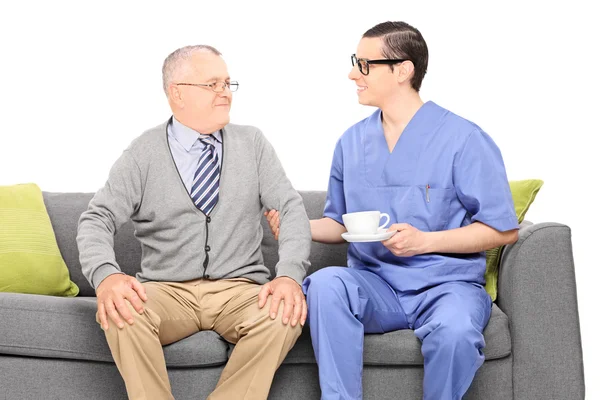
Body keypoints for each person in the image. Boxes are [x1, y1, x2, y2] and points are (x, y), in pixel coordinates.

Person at [265, 21, 519, 400]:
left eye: (365, 64)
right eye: (356, 62)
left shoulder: (464, 139)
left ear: (403, 70)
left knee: (456, 333)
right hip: (376, 285)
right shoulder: (351, 143)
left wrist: (425, 241)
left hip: (446, 286)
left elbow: (503, 230)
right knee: (325, 284)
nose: (353, 74)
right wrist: (296, 225)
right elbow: (339, 223)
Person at [77, 45, 311, 400]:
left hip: (240, 289)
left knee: (284, 314)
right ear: (178, 93)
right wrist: (106, 275)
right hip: (166, 290)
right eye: (212, 83)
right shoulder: (144, 152)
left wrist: (290, 276)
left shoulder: (253, 144)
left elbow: (291, 208)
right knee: (121, 310)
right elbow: (97, 218)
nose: (224, 92)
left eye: (228, 83)